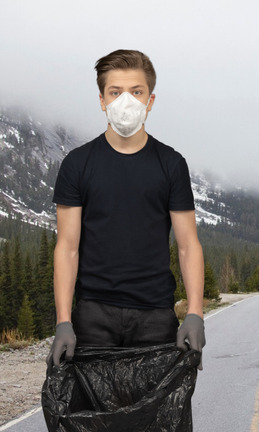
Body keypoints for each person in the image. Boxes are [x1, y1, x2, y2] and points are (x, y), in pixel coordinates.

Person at [47, 49, 205, 372]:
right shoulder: (77, 165)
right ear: (102, 100)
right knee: (93, 421)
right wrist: (64, 320)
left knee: (156, 422)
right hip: (93, 317)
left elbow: (189, 245)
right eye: (115, 92)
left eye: (136, 92)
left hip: (156, 317)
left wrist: (195, 313)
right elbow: (67, 247)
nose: (126, 102)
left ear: (151, 99)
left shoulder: (172, 165)